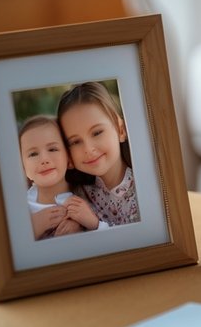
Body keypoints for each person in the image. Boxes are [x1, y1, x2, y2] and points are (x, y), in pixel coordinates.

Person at [58, 82, 140, 227]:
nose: (88, 149)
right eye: (76, 142)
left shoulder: (147, 188)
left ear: (120, 130)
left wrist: (95, 225)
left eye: (97, 133)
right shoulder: (75, 197)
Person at [18, 115, 101, 239]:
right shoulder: (19, 207)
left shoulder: (88, 198)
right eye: (33, 154)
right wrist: (31, 229)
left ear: (69, 159)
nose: (44, 160)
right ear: (23, 168)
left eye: (52, 149)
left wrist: (87, 225)